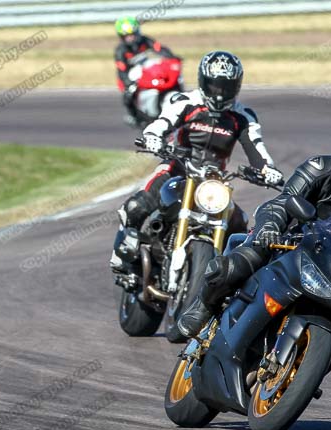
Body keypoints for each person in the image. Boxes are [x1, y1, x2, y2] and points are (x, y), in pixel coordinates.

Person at [173, 114, 331, 362]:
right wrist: (270, 227)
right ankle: (203, 307)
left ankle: (304, 364)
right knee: (235, 266)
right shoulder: (322, 168)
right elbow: (282, 201)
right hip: (286, 241)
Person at [110, 50, 284, 273]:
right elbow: (163, 122)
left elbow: (257, 148)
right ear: (203, 81)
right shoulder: (187, 101)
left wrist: (268, 170)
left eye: (226, 87)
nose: (220, 93)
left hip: (215, 182)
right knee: (137, 205)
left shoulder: (243, 116)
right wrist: (153, 137)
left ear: (237, 86)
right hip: (177, 168)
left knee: (239, 224)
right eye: (215, 86)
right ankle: (122, 255)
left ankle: (227, 278)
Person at [114, 16, 182, 126]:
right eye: (127, 36)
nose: (131, 38)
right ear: (122, 37)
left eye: (133, 34)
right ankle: (134, 116)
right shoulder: (120, 51)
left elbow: (160, 49)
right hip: (131, 75)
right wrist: (127, 82)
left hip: (147, 70)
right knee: (128, 94)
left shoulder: (145, 40)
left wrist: (172, 57)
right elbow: (121, 70)